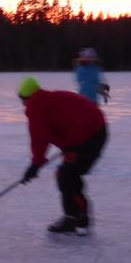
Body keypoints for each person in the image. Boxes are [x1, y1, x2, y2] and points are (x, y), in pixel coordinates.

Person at [19, 77, 107, 235]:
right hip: (94, 130)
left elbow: (39, 138)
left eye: (22, 100)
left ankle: (79, 218)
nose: (23, 104)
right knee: (66, 174)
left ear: (27, 98)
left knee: (67, 175)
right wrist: (68, 146)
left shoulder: (36, 108)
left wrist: (35, 165)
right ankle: (72, 217)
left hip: (87, 136)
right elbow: (60, 122)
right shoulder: (47, 99)